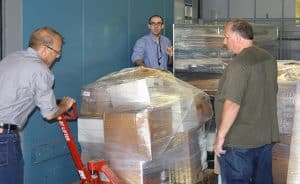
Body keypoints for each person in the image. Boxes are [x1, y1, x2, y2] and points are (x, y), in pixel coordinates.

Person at [0, 27, 75, 184]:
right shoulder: (41, 70)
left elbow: (16, 95)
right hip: (3, 138)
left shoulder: (11, 58)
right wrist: (65, 106)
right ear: (45, 49)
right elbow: (49, 114)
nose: (58, 56)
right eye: (57, 52)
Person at [214, 19, 279, 184]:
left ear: (236, 38)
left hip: (239, 143)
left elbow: (233, 103)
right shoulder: (268, 58)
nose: (224, 41)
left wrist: (220, 137)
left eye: (226, 37)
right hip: (264, 138)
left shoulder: (239, 64)